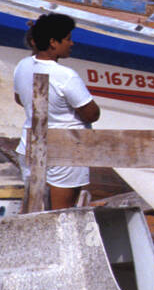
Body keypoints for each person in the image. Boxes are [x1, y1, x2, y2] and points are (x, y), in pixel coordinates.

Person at [12, 13, 100, 211]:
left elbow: (19, 99)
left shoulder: (22, 66)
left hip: (30, 144)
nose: (72, 43)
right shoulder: (66, 75)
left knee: (34, 209)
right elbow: (92, 114)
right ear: (53, 42)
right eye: (68, 39)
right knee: (61, 214)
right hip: (65, 148)